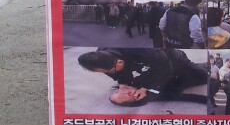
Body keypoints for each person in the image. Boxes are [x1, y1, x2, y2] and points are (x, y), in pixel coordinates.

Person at [77, 47, 208, 106]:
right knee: (203, 76)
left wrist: (145, 87)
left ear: (119, 62)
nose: (120, 89)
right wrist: (123, 83)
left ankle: (201, 66)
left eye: (116, 91)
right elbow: (186, 97)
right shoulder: (101, 60)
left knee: (201, 73)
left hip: (173, 60)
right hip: (168, 76)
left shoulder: (146, 52)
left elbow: (165, 68)